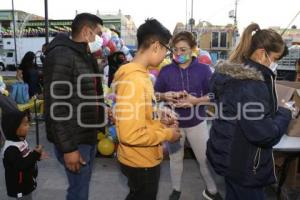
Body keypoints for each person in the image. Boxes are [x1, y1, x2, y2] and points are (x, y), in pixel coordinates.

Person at [206, 23, 294, 200]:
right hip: (245, 165)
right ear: (262, 53)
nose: (275, 64)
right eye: (275, 59)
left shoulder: (232, 76)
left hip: (230, 158)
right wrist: (285, 113)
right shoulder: (251, 85)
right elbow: (263, 134)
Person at [113, 18, 181, 200]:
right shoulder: (134, 80)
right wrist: (168, 134)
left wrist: (159, 116)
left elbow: (140, 111)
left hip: (142, 157)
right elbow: (130, 134)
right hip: (140, 161)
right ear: (156, 46)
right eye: (167, 51)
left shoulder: (141, 76)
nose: (166, 56)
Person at [43, 13, 105, 200]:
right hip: (74, 139)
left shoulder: (84, 55)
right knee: (78, 191)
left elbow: (89, 92)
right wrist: (69, 149)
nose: (101, 39)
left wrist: (101, 111)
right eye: (98, 33)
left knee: (81, 188)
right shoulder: (62, 55)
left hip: (87, 135)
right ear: (86, 32)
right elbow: (56, 106)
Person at [154, 31, 222, 200]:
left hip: (197, 123)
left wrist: (196, 101)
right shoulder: (166, 70)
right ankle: (176, 190)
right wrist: (164, 96)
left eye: (183, 50)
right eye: (175, 50)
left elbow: (215, 95)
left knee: (204, 159)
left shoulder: (204, 70)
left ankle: (212, 191)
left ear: (193, 49)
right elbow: (154, 95)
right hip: (173, 124)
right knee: (175, 159)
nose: (178, 54)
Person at [1, 109, 47, 200]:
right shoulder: (10, 149)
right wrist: (35, 154)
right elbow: (21, 164)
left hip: (26, 181)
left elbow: (26, 156)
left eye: (28, 123)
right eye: (25, 124)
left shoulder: (20, 140)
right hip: (19, 186)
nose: (28, 126)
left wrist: (37, 157)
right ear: (13, 127)